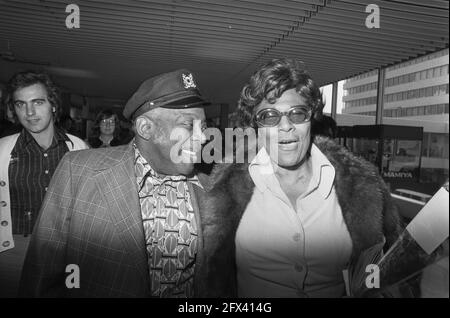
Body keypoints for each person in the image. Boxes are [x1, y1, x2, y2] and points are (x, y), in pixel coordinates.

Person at [19, 69, 238, 297]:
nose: (203, 137)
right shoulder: (80, 170)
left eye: (202, 127)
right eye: (188, 125)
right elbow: (43, 268)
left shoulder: (211, 183)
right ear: (146, 128)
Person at [207, 58, 403, 297]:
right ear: (255, 125)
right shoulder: (224, 190)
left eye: (297, 114)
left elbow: (380, 275)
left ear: (312, 118)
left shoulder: (361, 187)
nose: (285, 126)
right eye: (269, 116)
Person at [0, 71, 89, 297]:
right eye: (21, 104)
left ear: (53, 105)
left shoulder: (78, 147)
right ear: (14, 109)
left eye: (38, 102)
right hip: (14, 250)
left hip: (68, 254)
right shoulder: (2, 150)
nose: (29, 112)